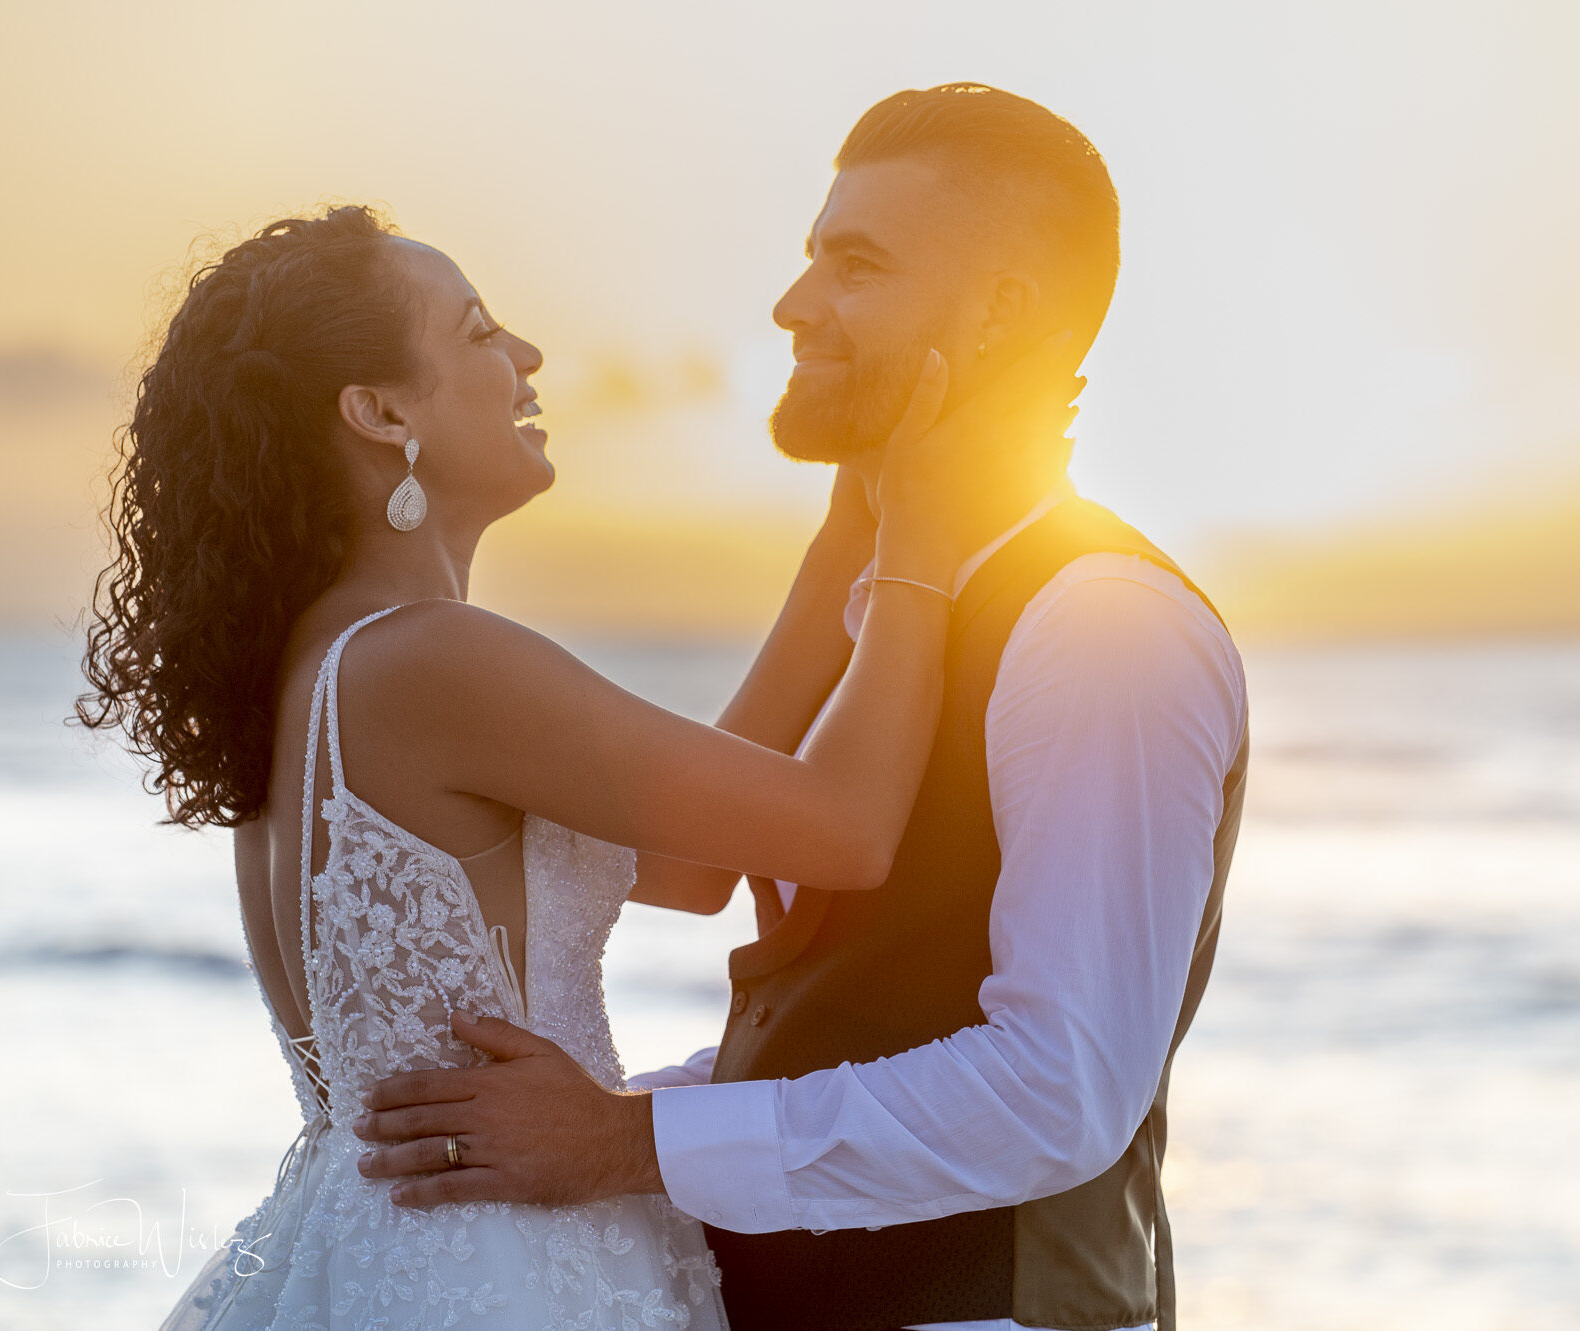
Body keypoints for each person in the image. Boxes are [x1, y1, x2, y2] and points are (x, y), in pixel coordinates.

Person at [77, 203, 1074, 1330]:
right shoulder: (433, 661)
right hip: (503, 1269)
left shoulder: (323, 666)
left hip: (398, 1245)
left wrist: (850, 529)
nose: (526, 357)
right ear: (379, 410)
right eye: (477, 331)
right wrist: (922, 549)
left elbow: (694, 866)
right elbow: (845, 824)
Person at [357, 84, 1251, 1331]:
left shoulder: (1101, 624)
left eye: (856, 265)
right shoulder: (895, 609)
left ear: (1001, 312)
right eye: (807, 258)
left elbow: (1060, 1091)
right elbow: (842, 1013)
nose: (792, 304)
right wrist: (579, 1119)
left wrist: (633, 1139)